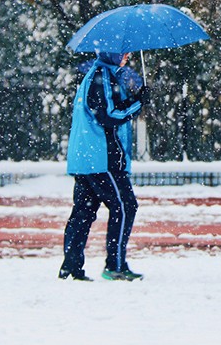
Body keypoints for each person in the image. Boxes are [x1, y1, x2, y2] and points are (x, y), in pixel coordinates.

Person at [59, 51, 148, 282]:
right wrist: (137, 103)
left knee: (83, 212)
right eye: (124, 51)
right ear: (113, 53)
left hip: (86, 158)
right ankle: (115, 265)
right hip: (102, 158)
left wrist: (132, 100)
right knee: (125, 205)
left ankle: (71, 267)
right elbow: (109, 115)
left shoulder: (97, 76)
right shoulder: (102, 76)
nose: (128, 55)